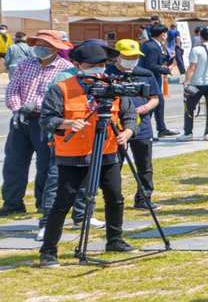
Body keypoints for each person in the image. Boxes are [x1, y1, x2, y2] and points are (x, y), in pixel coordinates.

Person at [36, 41, 138, 267]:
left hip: (108, 151)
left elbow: (129, 113)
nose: (98, 69)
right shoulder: (61, 88)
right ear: (77, 65)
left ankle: (114, 239)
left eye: (101, 64)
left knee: (115, 198)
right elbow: (46, 120)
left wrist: (128, 131)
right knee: (63, 202)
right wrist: (66, 123)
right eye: (92, 65)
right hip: (74, 155)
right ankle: (48, 251)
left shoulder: (113, 85)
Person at [2, 30, 74, 215]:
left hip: (45, 121)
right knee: (14, 163)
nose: (40, 49)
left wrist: (39, 105)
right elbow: (13, 89)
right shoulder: (25, 64)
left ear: (56, 48)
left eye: (46, 46)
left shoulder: (65, 69)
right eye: (38, 45)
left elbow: (61, 98)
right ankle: (12, 203)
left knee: (44, 165)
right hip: (21, 119)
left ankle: (43, 204)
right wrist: (17, 107)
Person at [111, 40, 160, 210]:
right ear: (117, 56)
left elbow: (155, 98)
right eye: (127, 56)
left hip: (142, 125)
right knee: (114, 165)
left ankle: (144, 198)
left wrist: (146, 107)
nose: (131, 59)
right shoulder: (107, 74)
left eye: (134, 57)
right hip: (116, 127)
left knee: (145, 165)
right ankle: (115, 199)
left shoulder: (145, 74)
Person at [178, 27, 208, 141]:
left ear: (200, 36)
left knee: (189, 107)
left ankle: (188, 133)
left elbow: (192, 67)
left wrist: (186, 82)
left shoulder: (196, 49)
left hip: (196, 84)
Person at [138, 24, 177, 137]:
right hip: (151, 79)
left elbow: (156, 58)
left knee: (158, 104)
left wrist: (169, 57)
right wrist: (166, 70)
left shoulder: (150, 44)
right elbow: (152, 65)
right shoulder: (153, 46)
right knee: (151, 105)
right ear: (163, 34)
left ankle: (161, 129)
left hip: (151, 79)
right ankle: (143, 131)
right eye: (166, 33)